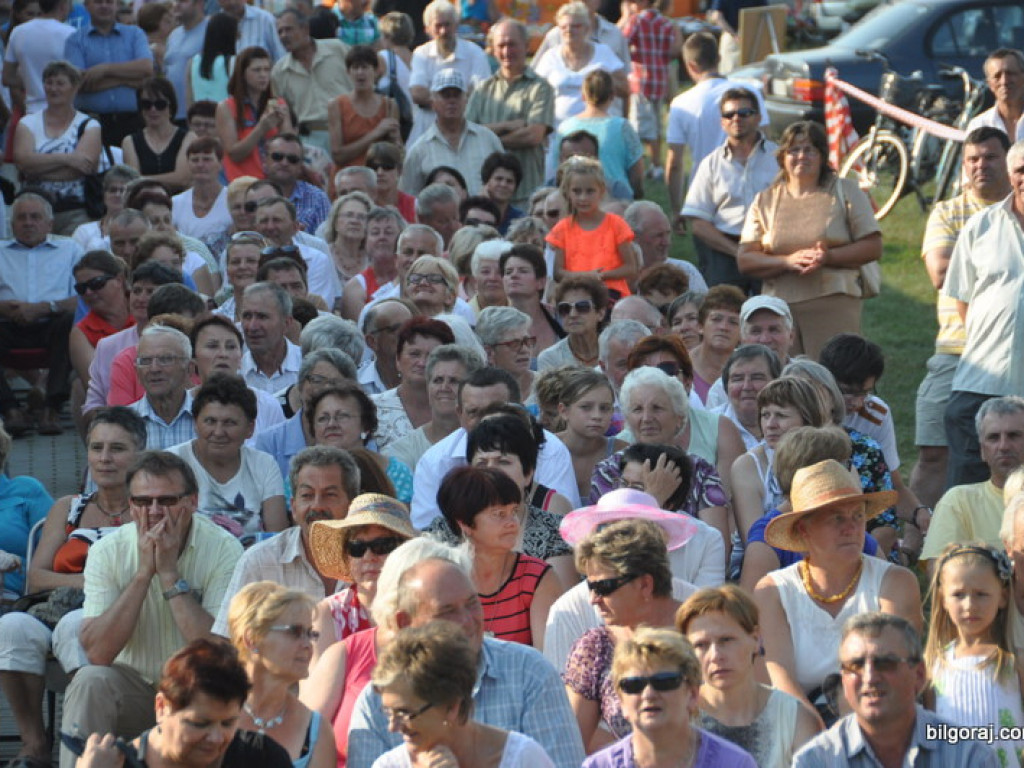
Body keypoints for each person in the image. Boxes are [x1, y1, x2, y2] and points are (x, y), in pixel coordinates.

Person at [58, 451, 243, 768]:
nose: (154, 511)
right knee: (90, 680)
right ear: (131, 506)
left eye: (167, 500)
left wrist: (169, 575)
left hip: (198, 693)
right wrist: (144, 574)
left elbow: (218, 653)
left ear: (193, 502)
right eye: (143, 502)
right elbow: (98, 653)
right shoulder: (106, 551)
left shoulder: (225, 549)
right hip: (134, 691)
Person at [345, 542, 586, 768]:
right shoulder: (378, 702)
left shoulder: (529, 673)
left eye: (472, 603)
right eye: (447, 611)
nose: (467, 621)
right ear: (405, 623)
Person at [0, 409, 139, 768]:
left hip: (120, 612)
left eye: (117, 449)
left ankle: (91, 740)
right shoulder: (69, 507)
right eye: (96, 448)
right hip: (57, 605)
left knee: (75, 625)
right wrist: (91, 581)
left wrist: (100, 589)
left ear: (139, 454)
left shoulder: (148, 507)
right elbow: (37, 577)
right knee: (11, 626)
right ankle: (34, 745)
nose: (104, 458)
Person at [754, 459, 922, 715]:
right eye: (837, 519)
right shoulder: (772, 591)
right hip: (799, 721)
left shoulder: (895, 582)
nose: (851, 528)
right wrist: (821, 735)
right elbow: (781, 683)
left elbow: (896, 670)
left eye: (858, 516)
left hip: (879, 715)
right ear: (804, 529)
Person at [911, 128, 1011, 508]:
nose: (981, 165)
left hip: (1010, 355)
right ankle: (918, 533)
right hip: (955, 352)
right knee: (934, 452)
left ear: (1009, 161)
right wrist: (1000, 267)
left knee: (1007, 451)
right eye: (973, 159)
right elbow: (940, 272)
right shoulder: (948, 212)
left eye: (990, 157)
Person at [738, 120, 882, 359]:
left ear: (822, 156)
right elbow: (745, 259)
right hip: (779, 310)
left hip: (834, 302)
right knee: (784, 375)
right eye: (794, 150)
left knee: (834, 373)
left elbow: (873, 246)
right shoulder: (765, 200)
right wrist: (787, 262)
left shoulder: (846, 191)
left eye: (810, 150)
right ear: (782, 157)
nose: (801, 156)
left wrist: (828, 257)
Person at [792, 613, 1000, 767]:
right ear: (843, 679)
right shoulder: (815, 761)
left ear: (919, 675)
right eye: (856, 665)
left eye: (885, 663)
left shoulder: (969, 758)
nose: (870, 677)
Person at [564, 518, 687, 753]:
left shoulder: (707, 635)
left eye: (603, 587)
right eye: (590, 587)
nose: (593, 599)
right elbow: (568, 747)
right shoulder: (595, 648)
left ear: (645, 585)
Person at [211, 445, 360, 637]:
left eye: (329, 495)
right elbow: (229, 640)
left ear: (353, 504)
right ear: (294, 507)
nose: (317, 506)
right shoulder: (259, 561)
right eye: (307, 496)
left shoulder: (374, 557)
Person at [75, 638, 294, 768]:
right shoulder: (114, 765)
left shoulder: (261, 758)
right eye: (200, 723)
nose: (216, 738)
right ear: (162, 707)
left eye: (228, 723)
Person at [943, 138, 1024, 487]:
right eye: (1021, 169)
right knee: (969, 489)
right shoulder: (981, 227)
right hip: (980, 382)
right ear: (1010, 173)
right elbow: (964, 301)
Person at [370, 621, 555, 768]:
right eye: (388, 712)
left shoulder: (523, 759)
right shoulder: (388, 765)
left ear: (452, 706)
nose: (392, 727)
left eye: (404, 713)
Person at [411, 367, 580, 527]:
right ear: (460, 414)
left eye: (495, 410)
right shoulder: (435, 461)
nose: (486, 420)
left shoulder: (550, 449)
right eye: (474, 412)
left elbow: (563, 526)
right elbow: (426, 530)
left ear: (517, 410)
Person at [677, 584, 820, 767]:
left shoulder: (795, 718)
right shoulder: (676, 716)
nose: (715, 655)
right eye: (701, 645)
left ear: (756, 639)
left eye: (726, 640)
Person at [582, 626, 758, 768]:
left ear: (692, 694)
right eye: (634, 685)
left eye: (664, 682)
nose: (648, 694)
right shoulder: (597, 766)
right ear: (621, 700)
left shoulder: (735, 764)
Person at [739, 425, 884, 593]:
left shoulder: (852, 533)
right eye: (842, 466)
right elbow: (751, 605)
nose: (849, 473)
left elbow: (887, 584)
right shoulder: (767, 540)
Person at [436, 465, 561, 648]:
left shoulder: (538, 577)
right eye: (499, 514)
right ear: (464, 523)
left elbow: (547, 656)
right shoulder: (442, 579)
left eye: (514, 511)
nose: (512, 523)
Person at [923, 543, 1023, 765]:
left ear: (1003, 596)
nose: (970, 605)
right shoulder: (934, 666)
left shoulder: (1015, 662)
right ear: (943, 599)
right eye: (959, 595)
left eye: (981, 594)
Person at [167, 373, 287, 544]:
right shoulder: (172, 463)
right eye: (210, 421)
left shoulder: (264, 465)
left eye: (229, 423)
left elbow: (277, 540)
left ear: (250, 428)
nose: (218, 432)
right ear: (195, 423)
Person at [228, 582, 337, 768]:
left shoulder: (315, 730)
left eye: (310, 633)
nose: (307, 644)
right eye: (295, 632)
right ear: (251, 638)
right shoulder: (210, 714)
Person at [0, 193, 83, 436]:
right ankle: (10, 410)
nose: (28, 223)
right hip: (6, 324)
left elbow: (85, 296)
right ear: (11, 224)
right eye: (22, 218)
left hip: (53, 323)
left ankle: (52, 408)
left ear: (50, 223)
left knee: (71, 323)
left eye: (35, 217)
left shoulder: (70, 249)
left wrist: (45, 307)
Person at [682, 87, 777, 294]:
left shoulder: (779, 159)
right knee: (721, 307)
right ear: (722, 122)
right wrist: (737, 252)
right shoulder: (710, 164)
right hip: (725, 249)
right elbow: (698, 224)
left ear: (759, 117)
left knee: (773, 307)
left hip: (770, 248)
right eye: (729, 114)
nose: (736, 118)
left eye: (744, 113)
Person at [307, 493, 417, 655]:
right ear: (346, 556)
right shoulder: (328, 613)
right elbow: (316, 671)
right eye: (357, 547)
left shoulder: (423, 606)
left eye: (382, 545)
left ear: (406, 551)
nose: (368, 556)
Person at [730, 377, 831, 549]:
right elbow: (755, 543)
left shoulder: (834, 459)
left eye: (781, 416)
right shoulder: (747, 466)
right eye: (765, 415)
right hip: (767, 556)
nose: (770, 425)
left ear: (807, 419)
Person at [923, 396, 1024, 567]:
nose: (1003, 446)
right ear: (982, 450)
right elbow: (940, 573)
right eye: (993, 438)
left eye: (1014, 436)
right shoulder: (959, 501)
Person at [465, 19, 554, 208]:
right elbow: (468, 134)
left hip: (526, 195)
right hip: (486, 197)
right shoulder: (482, 90)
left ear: (526, 46)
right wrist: (507, 126)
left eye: (512, 44)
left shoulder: (541, 88)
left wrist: (488, 137)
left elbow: (533, 136)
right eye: (501, 45)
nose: (506, 51)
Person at [13, 60, 101, 235]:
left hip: (75, 210)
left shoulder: (89, 125)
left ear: (74, 87)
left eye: (60, 83)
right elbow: (23, 162)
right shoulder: (28, 123)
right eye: (49, 83)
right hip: (34, 212)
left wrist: (36, 166)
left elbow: (84, 167)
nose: (53, 89)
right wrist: (68, 158)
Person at [63, 0, 154, 147]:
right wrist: (126, 80)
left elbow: (146, 68)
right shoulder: (75, 40)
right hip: (92, 123)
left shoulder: (135, 34)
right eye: (98, 2)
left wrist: (104, 69)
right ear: (87, 6)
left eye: (109, 2)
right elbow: (79, 83)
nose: (104, 6)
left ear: (117, 5)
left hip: (133, 121)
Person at [400, 68, 503, 197]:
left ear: (466, 100)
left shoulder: (488, 139)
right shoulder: (419, 150)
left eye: (457, 95)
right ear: (432, 103)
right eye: (445, 95)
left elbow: (505, 181)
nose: (452, 101)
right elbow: (409, 197)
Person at [548, 156, 638, 299]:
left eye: (590, 191)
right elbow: (558, 272)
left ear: (601, 191)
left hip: (611, 294)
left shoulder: (616, 224)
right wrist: (585, 276)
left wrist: (601, 276)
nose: (583, 198)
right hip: (575, 295)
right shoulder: (562, 228)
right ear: (568, 193)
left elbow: (630, 268)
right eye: (577, 191)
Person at [307, 383, 413, 503]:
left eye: (342, 416)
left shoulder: (396, 473)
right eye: (323, 418)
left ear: (365, 424)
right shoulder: (302, 474)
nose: (331, 424)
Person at [533, 1, 626, 134]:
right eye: (564, 27)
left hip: (599, 130)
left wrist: (601, 82)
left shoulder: (604, 53)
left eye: (575, 26)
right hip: (559, 132)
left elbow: (625, 89)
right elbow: (534, 89)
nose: (569, 30)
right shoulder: (550, 57)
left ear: (586, 29)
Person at [406, 0, 489, 144]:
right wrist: (459, 99)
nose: (443, 31)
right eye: (438, 26)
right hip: (427, 130)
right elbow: (417, 93)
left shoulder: (475, 52)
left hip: (467, 129)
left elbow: (482, 92)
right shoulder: (421, 53)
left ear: (456, 25)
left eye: (447, 25)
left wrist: (436, 100)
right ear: (428, 29)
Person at [271, 8, 353, 154]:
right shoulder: (279, 71)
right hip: (310, 140)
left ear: (305, 29)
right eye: (280, 32)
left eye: (288, 29)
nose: (284, 36)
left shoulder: (338, 49)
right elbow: (282, 114)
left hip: (349, 132)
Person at [618, 0, 680, 179]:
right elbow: (672, 50)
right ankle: (656, 164)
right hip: (660, 78)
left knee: (642, 127)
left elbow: (622, 42)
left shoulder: (636, 20)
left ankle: (640, 166)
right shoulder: (666, 23)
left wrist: (625, 16)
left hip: (641, 80)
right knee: (657, 125)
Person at [216, 45, 293, 181]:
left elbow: (290, 146)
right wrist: (261, 129)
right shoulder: (226, 107)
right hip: (242, 181)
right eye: (257, 70)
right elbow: (234, 154)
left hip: (273, 182)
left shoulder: (279, 104)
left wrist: (282, 123)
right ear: (242, 73)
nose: (263, 75)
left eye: (267, 70)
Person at [555, 368, 625, 500]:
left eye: (604, 408)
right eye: (586, 407)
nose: (597, 416)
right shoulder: (543, 450)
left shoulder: (622, 453)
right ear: (563, 411)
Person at [69, 250, 134, 391]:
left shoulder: (144, 313)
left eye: (96, 283)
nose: (88, 292)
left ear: (119, 280)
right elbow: (97, 386)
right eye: (81, 288)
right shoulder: (82, 332)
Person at [328, 44, 399, 169]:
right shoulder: (337, 105)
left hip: (378, 175)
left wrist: (395, 139)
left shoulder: (389, 105)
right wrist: (376, 133)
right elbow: (338, 155)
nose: (360, 73)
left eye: (365, 67)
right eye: (355, 68)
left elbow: (396, 152)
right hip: (347, 175)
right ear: (348, 72)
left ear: (376, 71)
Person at [2, 0, 75, 117]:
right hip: (64, 112)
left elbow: (7, 78)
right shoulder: (71, 33)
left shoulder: (18, 32)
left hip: (32, 110)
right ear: (63, 6)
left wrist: (31, 80)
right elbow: (79, 77)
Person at [122, 76, 195, 193]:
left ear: (171, 107)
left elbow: (182, 179)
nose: (153, 109)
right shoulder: (130, 141)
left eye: (160, 104)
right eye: (146, 104)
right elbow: (133, 182)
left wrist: (142, 179)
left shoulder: (188, 138)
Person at [711, 345, 781, 449]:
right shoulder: (708, 427)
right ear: (726, 386)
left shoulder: (792, 424)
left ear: (777, 383)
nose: (747, 387)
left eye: (757, 378)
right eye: (738, 379)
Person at [501, 243, 564, 357]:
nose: (514, 275)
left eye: (523, 271)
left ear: (541, 282)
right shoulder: (496, 324)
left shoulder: (560, 318)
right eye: (508, 272)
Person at [172, 137, 232, 253]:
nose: (200, 165)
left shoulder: (233, 200)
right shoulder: (175, 203)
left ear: (220, 164)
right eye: (195, 160)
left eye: (207, 159)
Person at [240, 281, 303, 394]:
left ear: (286, 323)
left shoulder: (307, 367)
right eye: (247, 316)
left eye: (262, 317)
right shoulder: (236, 370)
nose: (252, 326)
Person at [264, 133, 331, 235]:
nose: (284, 163)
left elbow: (326, 240)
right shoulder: (251, 195)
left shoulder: (318, 199)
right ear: (265, 160)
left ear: (301, 166)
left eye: (292, 159)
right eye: (277, 157)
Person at [688, 284, 743, 404]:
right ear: (700, 326)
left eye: (733, 322)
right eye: (716, 319)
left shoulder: (746, 369)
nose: (724, 327)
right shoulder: (681, 365)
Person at [965, 48, 1024, 142]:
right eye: (997, 76)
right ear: (989, 84)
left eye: (1011, 74)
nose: (1004, 81)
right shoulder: (979, 125)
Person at [163, 0, 207, 121]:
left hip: (197, 115)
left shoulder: (210, 31)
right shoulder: (174, 35)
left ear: (199, 3)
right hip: (171, 114)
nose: (176, 5)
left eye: (183, 1)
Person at [186, 12, 235, 106]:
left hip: (199, 112)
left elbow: (189, 98)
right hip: (224, 112)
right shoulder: (232, 62)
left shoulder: (192, 62)